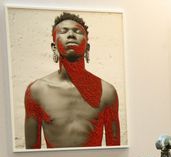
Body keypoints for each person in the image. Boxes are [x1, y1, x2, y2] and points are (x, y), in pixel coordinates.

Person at [24, 12, 120, 149]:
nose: (71, 35)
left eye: (77, 31)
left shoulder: (107, 92)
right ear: (54, 47)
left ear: (87, 48)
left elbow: (115, 150)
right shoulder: (36, 91)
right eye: (63, 31)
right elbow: (31, 155)